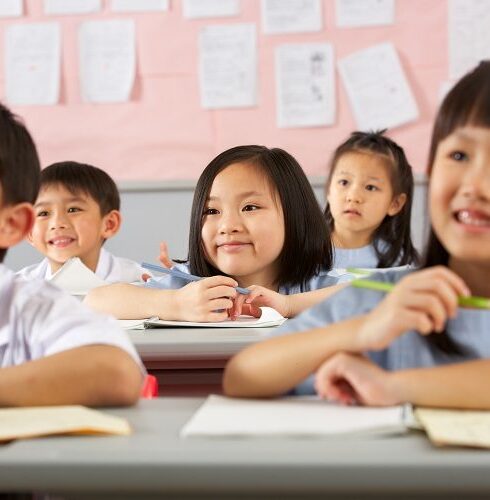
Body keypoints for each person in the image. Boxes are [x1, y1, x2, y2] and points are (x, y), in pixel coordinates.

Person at [223, 62, 490, 410]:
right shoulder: (382, 297)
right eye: (459, 155)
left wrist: (396, 387)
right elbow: (243, 376)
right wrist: (363, 330)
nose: (476, 185)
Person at [86, 145, 342, 321]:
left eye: (249, 207)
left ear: (295, 215)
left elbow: (377, 293)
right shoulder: (189, 284)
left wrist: (288, 306)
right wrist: (175, 304)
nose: (227, 225)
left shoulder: (312, 284)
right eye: (211, 211)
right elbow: (95, 301)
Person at [0, 103, 143, 406]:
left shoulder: (30, 308)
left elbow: (115, 372)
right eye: (46, 213)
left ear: (12, 225)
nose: (58, 223)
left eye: (73, 209)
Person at [18, 161, 146, 283]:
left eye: (73, 210)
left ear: (109, 224)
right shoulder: (15, 289)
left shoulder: (138, 279)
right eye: (43, 213)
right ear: (29, 232)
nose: (57, 223)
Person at [324, 130, 419, 269]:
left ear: (395, 204)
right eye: (344, 182)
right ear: (329, 191)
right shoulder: (299, 253)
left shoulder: (399, 265)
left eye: (370, 187)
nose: (353, 197)